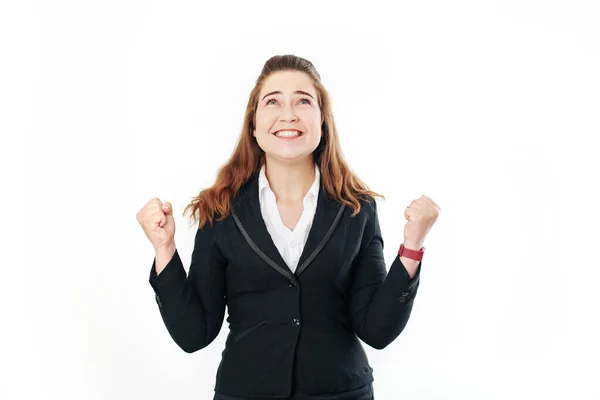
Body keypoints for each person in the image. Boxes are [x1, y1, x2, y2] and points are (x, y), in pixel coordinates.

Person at [136, 54, 440, 400]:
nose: (288, 114)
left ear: (322, 122)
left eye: (303, 101)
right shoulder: (219, 209)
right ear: (254, 124)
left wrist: (412, 246)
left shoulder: (357, 209)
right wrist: (164, 250)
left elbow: (377, 330)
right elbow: (194, 333)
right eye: (273, 101)